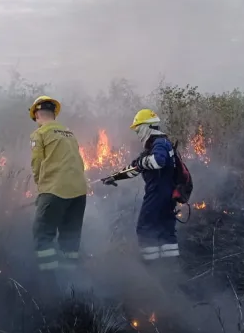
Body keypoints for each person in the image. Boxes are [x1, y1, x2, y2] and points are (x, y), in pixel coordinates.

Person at [102, 109, 180, 263]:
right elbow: (134, 169)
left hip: (157, 193)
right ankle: (170, 268)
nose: (137, 134)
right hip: (167, 194)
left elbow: (158, 162)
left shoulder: (159, 144)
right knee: (166, 230)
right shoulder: (158, 144)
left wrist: (141, 162)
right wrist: (115, 177)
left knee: (144, 228)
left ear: (146, 127)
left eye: (138, 129)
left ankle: (152, 266)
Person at [28, 95, 89, 272]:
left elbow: (36, 163)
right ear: (54, 114)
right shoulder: (69, 133)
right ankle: (72, 280)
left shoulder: (39, 133)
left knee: (42, 234)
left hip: (55, 191)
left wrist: (41, 191)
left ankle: (50, 280)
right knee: (70, 237)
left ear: (37, 115)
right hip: (79, 193)